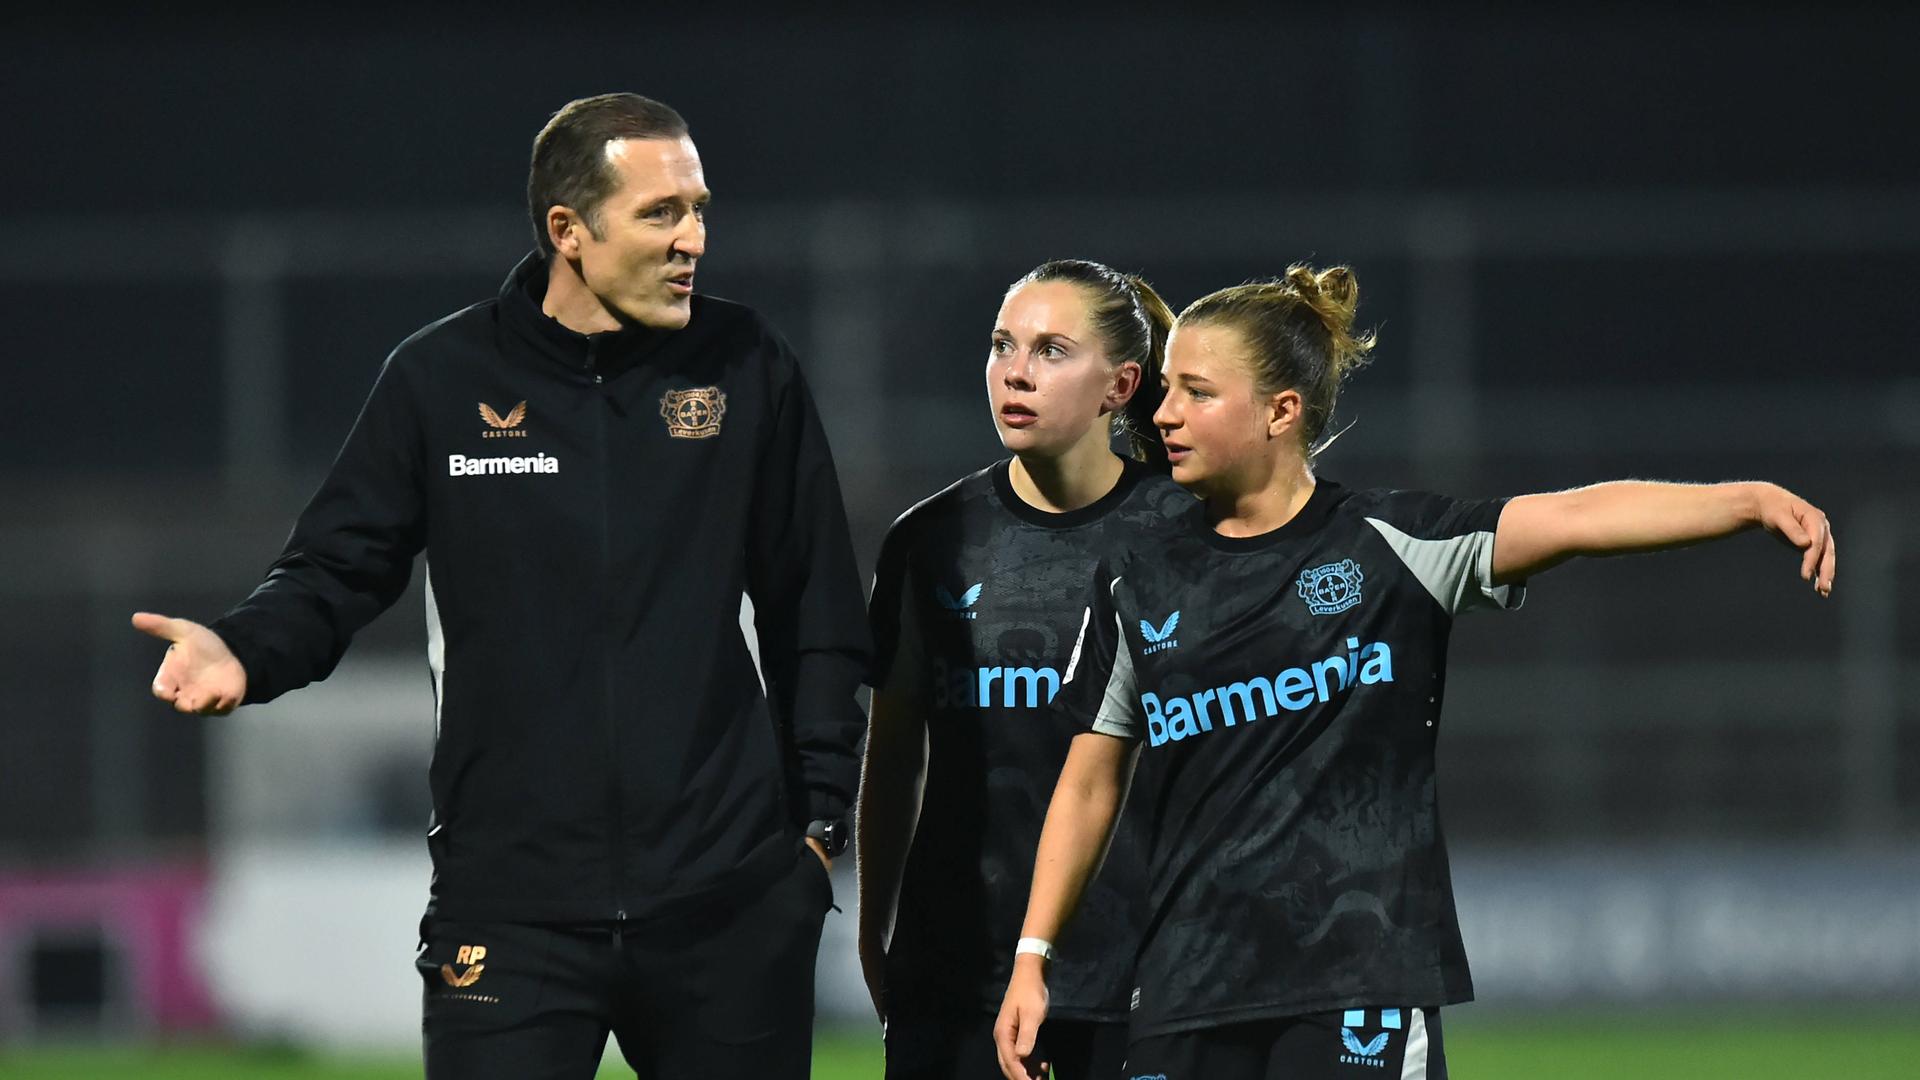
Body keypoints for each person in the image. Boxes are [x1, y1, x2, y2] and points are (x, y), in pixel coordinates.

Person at [131, 93, 870, 1080]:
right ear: (570, 229)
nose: (694, 238)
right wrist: (244, 648)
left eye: (699, 209)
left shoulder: (748, 368)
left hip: (725, 906)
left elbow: (816, 611)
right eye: (662, 213)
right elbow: (335, 570)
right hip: (508, 915)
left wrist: (818, 839)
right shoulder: (439, 379)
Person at [993, 264, 1837, 1080]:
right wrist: (1034, 959)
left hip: (1358, 988)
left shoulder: (1394, 545)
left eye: (1198, 393)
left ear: (1281, 411)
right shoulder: (1138, 579)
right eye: (1169, 388)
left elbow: (1579, 515)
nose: (1165, 415)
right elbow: (1090, 782)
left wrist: (1746, 500)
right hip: (1184, 989)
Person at [858, 260, 1195, 1079]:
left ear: (1120, 385)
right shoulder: (930, 538)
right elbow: (896, 752)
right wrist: (876, 931)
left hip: (1143, 975)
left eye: (1051, 351)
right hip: (955, 971)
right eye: (1003, 345)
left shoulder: (1185, 532)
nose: (1015, 372)